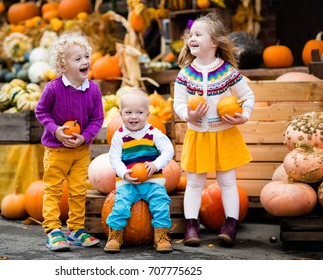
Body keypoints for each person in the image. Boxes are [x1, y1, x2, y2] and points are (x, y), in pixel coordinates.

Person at [173, 13, 255, 247]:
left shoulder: (227, 72)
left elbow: (247, 96)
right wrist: (188, 115)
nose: (192, 38)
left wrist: (243, 116)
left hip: (224, 134)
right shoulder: (186, 73)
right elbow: (178, 103)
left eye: (199, 34)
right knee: (195, 182)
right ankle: (191, 225)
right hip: (198, 135)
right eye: (191, 35)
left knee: (227, 181)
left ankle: (230, 224)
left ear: (214, 43)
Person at [35, 32, 104, 251]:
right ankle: (53, 230)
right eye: (78, 59)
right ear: (63, 67)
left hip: (81, 150)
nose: (85, 62)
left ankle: (76, 229)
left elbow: (97, 119)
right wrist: (55, 131)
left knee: (78, 190)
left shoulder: (93, 89)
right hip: (57, 150)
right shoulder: (53, 88)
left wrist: (85, 136)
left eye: (86, 56)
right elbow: (41, 111)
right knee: (53, 190)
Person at [104, 88, 175, 254]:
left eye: (139, 112)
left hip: (152, 181)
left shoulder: (154, 133)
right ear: (121, 114)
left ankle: (161, 235)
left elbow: (168, 150)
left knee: (161, 203)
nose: (134, 116)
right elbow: (114, 158)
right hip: (128, 182)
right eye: (128, 112)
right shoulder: (119, 136)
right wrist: (123, 173)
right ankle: (115, 235)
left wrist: (156, 165)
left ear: (147, 114)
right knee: (120, 205)